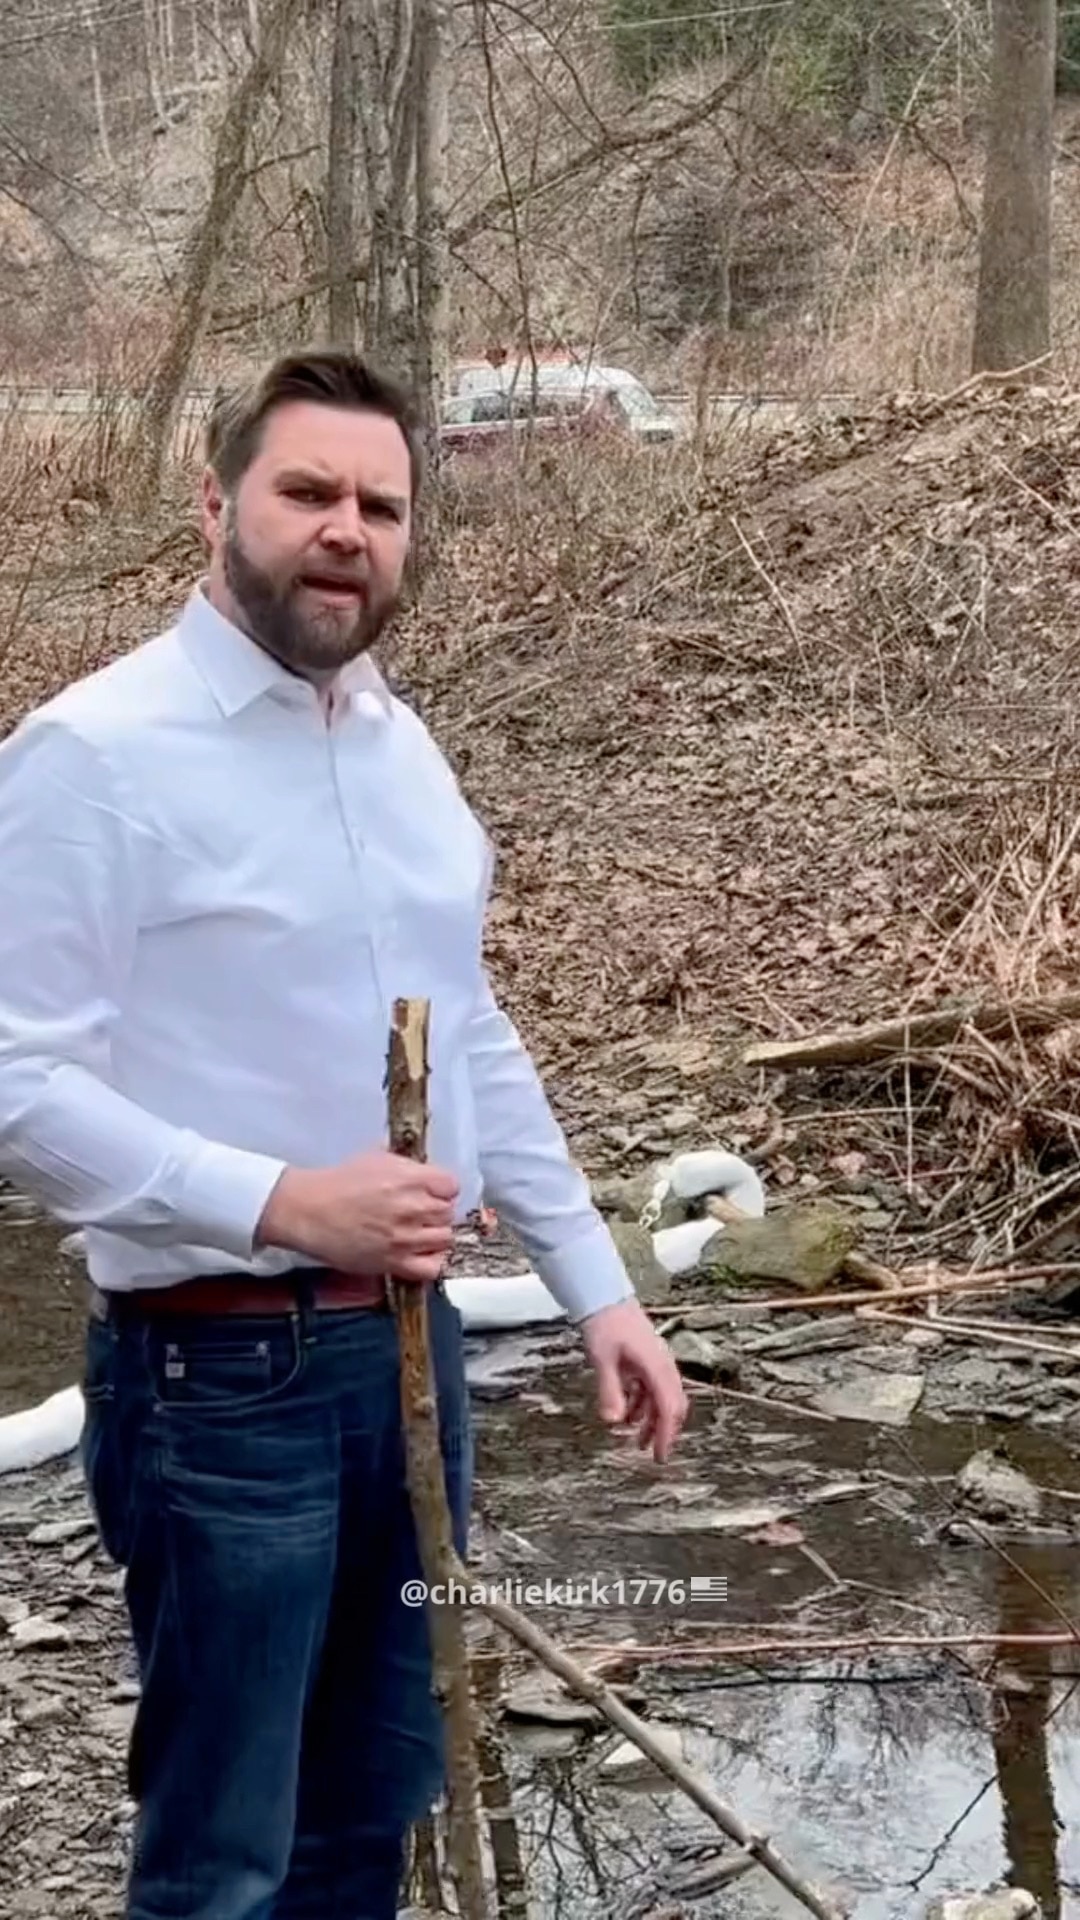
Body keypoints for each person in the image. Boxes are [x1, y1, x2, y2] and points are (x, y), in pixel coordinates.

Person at [0, 349, 688, 1920]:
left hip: (410, 1356)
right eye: (308, 491)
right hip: (216, 1380)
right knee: (225, 1853)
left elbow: (473, 1028)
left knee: (370, 1807)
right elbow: (15, 1077)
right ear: (216, 504)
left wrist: (600, 1287)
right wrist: (286, 1201)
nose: (346, 530)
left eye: (380, 505)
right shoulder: (95, 756)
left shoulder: (400, 747)